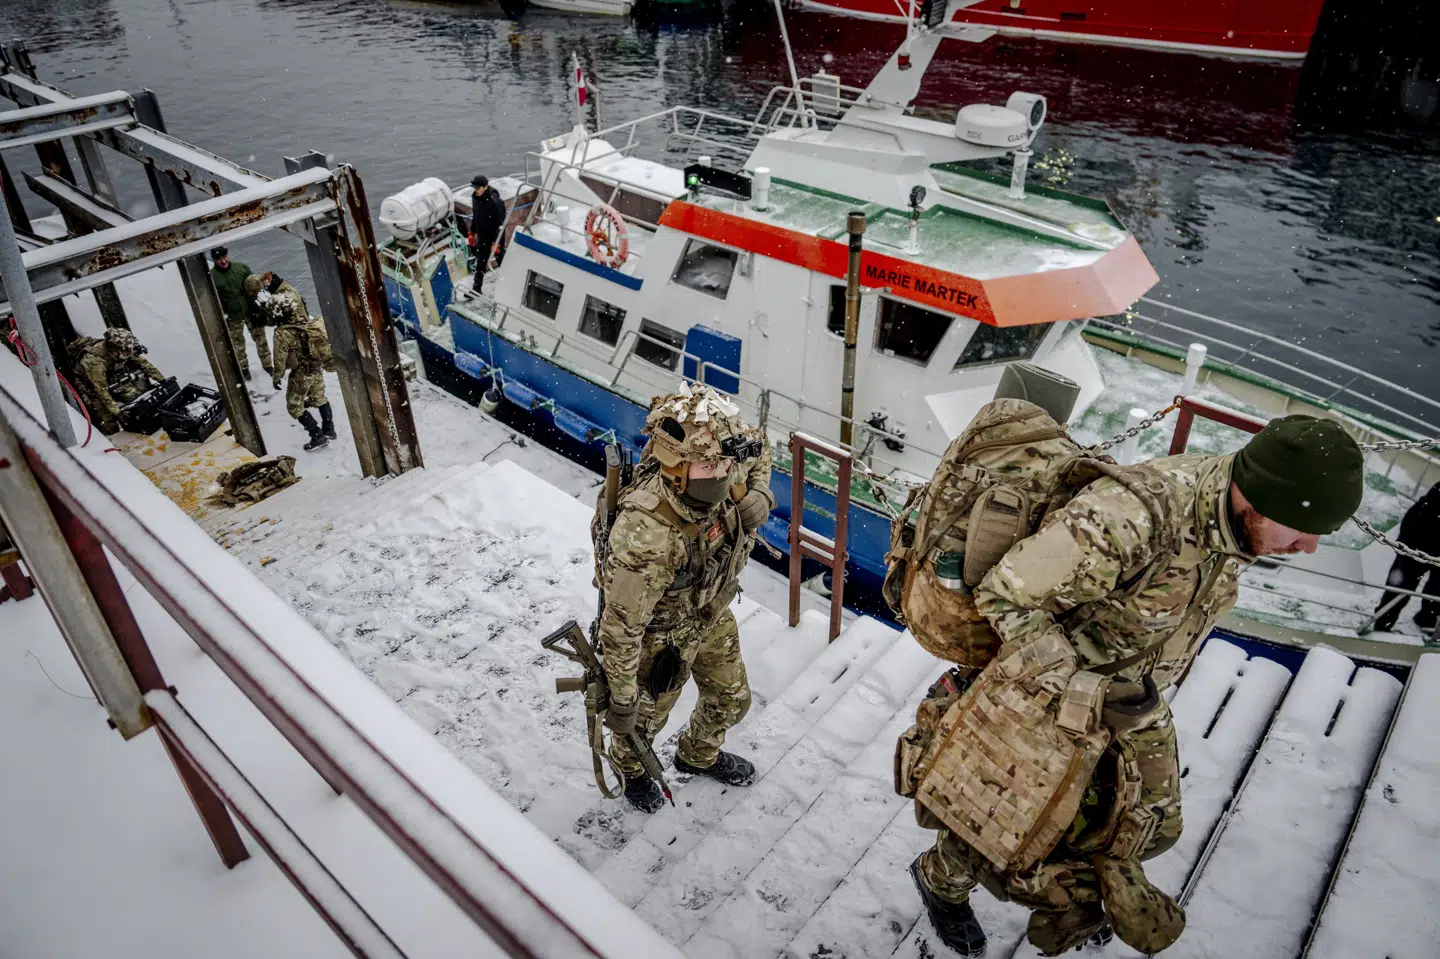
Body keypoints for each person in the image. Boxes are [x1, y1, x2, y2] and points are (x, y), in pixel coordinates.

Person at [909, 415, 1365, 957]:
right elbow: (1006, 595)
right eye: (1304, 530)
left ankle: (1077, 891)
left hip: (1132, 699)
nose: (1309, 548)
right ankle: (943, 881)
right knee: (1002, 819)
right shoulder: (1131, 518)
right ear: (1263, 500)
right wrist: (1076, 688)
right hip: (1050, 691)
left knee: (1151, 827)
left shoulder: (1231, 520)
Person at [595, 385, 774, 813]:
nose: (723, 472)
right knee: (641, 724)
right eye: (709, 465)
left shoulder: (724, 455)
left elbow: (760, 448)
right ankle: (632, 770)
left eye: (726, 462)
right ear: (675, 466)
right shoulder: (647, 534)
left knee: (732, 699)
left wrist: (759, 495)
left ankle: (697, 755)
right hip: (659, 638)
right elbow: (621, 628)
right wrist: (620, 697)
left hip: (709, 611)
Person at [248, 273, 335, 452]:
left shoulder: (282, 333)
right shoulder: (305, 322)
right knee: (319, 397)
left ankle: (316, 435)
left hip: (301, 372)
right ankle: (329, 428)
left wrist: (276, 377)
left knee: (294, 406)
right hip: (316, 366)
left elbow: (279, 360)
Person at [1372, 482, 1440, 633]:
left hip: (1426, 528)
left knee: (1437, 586)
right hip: (1419, 534)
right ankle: (1383, 624)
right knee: (1403, 583)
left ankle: (1427, 619)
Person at [70, 327, 166, 434]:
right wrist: (117, 412)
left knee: (133, 395)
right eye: (126, 352)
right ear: (114, 350)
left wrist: (162, 380)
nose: (130, 354)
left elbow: (144, 364)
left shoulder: (125, 348)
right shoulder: (94, 362)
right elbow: (101, 391)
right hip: (91, 385)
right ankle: (110, 437)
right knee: (106, 416)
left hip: (112, 374)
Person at [208, 246, 272, 381]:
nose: (223, 261)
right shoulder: (213, 277)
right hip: (232, 316)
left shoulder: (241, 268)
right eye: (219, 259)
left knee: (260, 338)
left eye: (224, 257)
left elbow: (255, 286)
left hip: (250, 310)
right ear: (214, 260)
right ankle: (243, 369)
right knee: (237, 343)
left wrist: (258, 306)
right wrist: (222, 316)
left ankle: (267, 365)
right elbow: (213, 299)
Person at [468, 174, 507, 285]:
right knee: (481, 260)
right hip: (483, 234)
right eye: (474, 188)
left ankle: (508, 281)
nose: (476, 190)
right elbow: (476, 216)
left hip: (495, 233)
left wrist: (497, 242)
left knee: (500, 258)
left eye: (478, 188)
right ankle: (476, 287)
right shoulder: (475, 198)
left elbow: (501, 223)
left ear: (485, 187)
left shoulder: (495, 201)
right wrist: (472, 231)